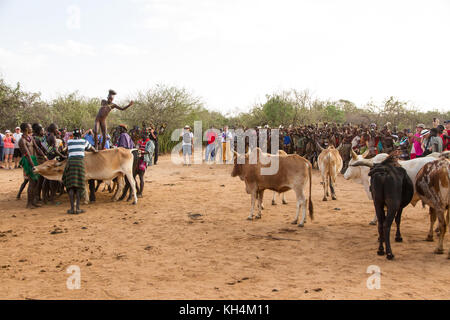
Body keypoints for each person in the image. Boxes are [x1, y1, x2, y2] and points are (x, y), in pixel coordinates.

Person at [62, 128, 97, 214]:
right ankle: (77, 208)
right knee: (78, 186)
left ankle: (71, 209)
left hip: (70, 163)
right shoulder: (84, 141)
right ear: (80, 134)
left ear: (73, 135)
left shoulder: (69, 142)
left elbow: (66, 151)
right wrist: (96, 151)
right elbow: (93, 149)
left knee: (70, 186)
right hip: (80, 164)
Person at [18, 123, 48, 208]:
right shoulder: (22, 141)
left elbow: (37, 148)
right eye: (30, 127)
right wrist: (32, 165)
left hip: (33, 159)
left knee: (36, 181)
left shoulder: (30, 138)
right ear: (26, 129)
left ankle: (33, 201)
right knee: (32, 182)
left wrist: (44, 156)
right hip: (28, 161)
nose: (32, 129)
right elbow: (27, 154)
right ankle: (29, 203)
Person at [136, 132, 154, 197]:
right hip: (137, 159)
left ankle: (140, 193)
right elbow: (136, 147)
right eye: (142, 134)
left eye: (143, 135)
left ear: (147, 135)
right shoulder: (140, 141)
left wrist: (142, 152)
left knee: (141, 176)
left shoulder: (150, 143)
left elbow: (149, 151)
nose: (142, 136)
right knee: (133, 176)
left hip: (144, 160)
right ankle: (138, 190)